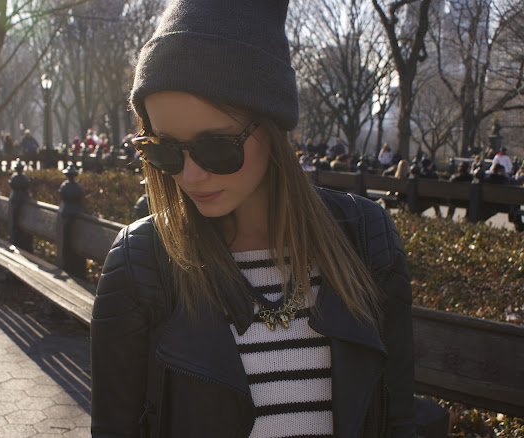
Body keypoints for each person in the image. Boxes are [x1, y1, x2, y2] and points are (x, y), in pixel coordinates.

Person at [91, 1, 415, 437]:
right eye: (163, 150)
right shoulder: (141, 263)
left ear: (272, 125)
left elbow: (397, 420)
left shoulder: (365, 239)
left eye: (216, 147)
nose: (190, 176)